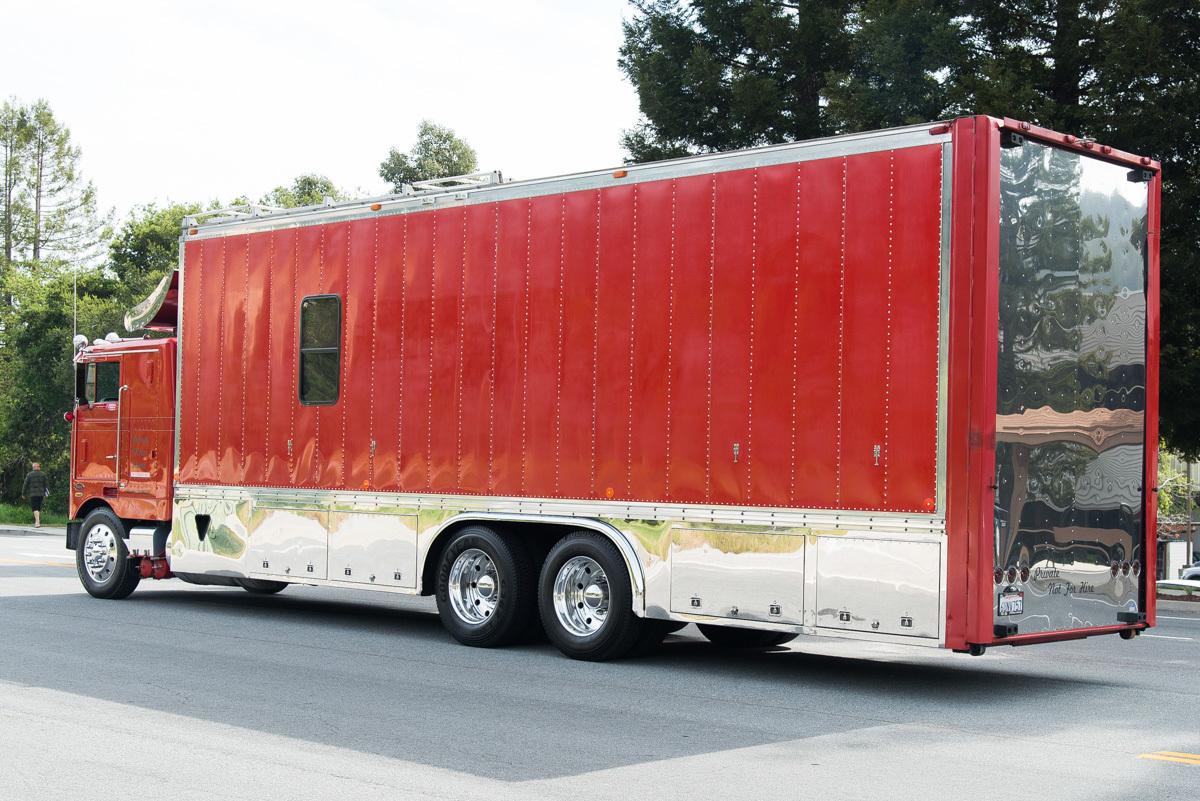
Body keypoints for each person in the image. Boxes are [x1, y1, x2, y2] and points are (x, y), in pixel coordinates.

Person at [21, 462, 48, 528]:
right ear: (38, 467)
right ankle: (37, 521)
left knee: (35, 508)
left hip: (33, 494)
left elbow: (25, 484)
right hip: (41, 494)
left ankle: (37, 522)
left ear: (33, 467)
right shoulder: (43, 474)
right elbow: (47, 485)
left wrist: (23, 493)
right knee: (38, 507)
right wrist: (47, 494)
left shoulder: (29, 474)